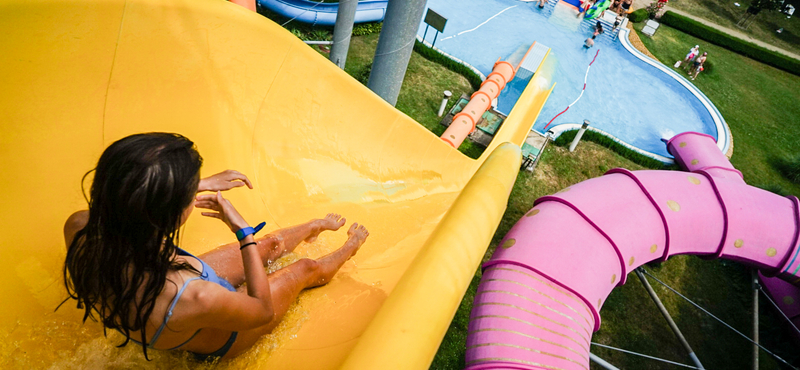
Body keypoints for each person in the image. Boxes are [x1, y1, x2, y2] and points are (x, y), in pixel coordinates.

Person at [61, 133, 369, 362]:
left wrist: (199, 182)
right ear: (167, 216)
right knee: (304, 269)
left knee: (270, 245)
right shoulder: (195, 295)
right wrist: (242, 231)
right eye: (189, 192)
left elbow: (121, 200)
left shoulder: (82, 231)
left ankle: (313, 227)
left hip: (166, 291)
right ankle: (351, 246)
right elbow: (262, 311)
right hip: (226, 337)